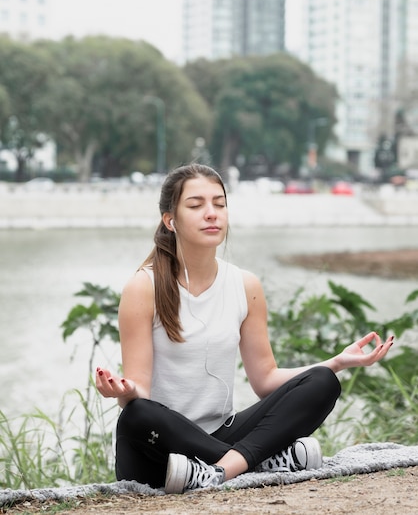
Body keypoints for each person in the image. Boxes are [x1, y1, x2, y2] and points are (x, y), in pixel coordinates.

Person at [96, 163, 394, 494]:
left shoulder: (244, 285)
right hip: (162, 451)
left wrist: (336, 362)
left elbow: (265, 380)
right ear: (171, 220)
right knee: (137, 415)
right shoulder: (143, 287)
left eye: (219, 204)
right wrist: (125, 392)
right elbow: (141, 393)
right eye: (196, 205)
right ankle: (258, 462)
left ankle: (222, 470)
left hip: (223, 435)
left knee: (323, 382)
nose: (211, 214)